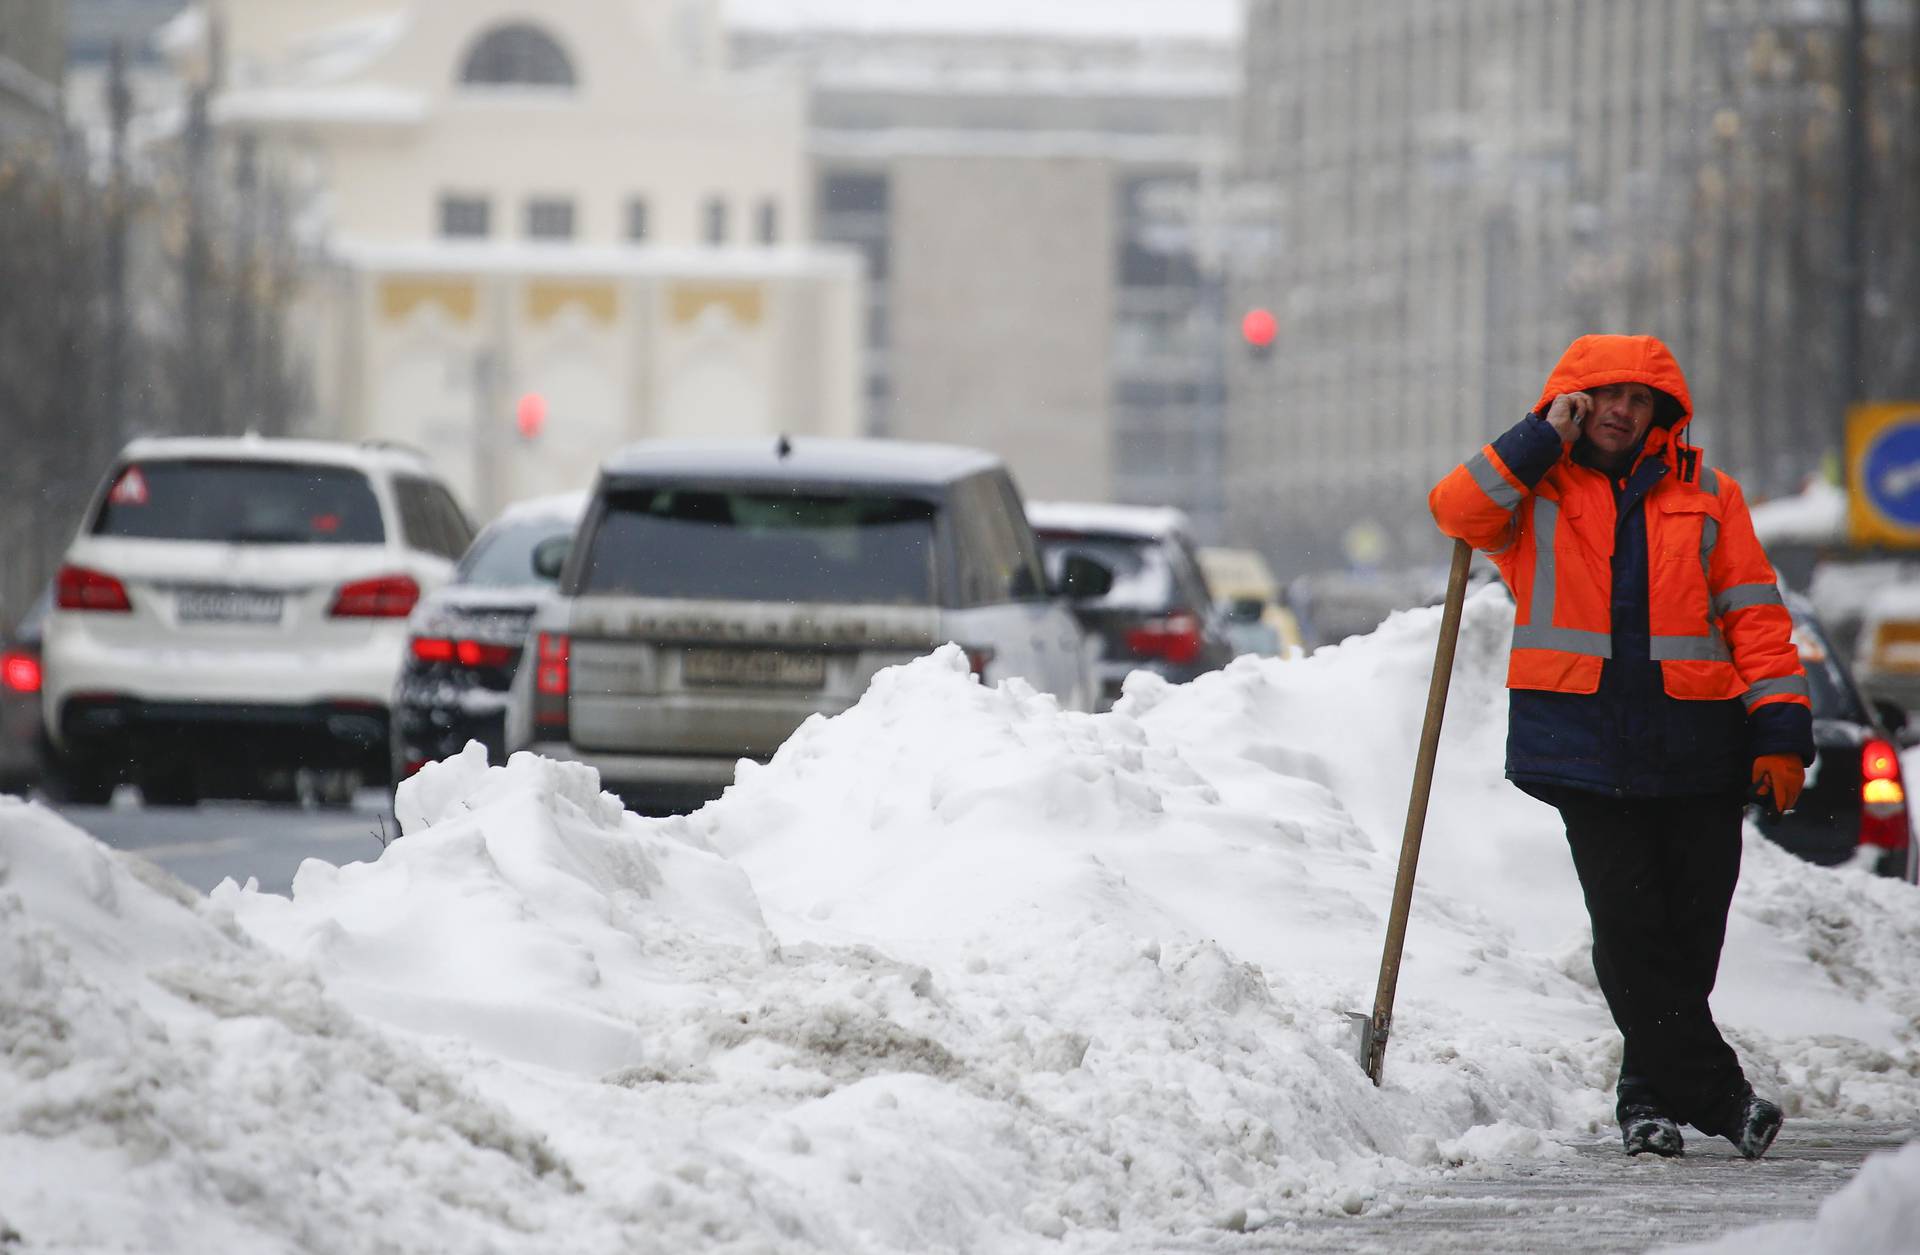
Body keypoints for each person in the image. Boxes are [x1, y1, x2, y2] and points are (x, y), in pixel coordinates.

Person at [1429, 334, 1812, 1160]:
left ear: (1661, 414)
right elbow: (1456, 509)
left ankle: (1645, 1098)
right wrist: (1540, 434)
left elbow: (1756, 619)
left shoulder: (1710, 495)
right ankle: (1719, 1095)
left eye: (1639, 400)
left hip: (1701, 744)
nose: (1620, 411)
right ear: (1574, 399)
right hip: (1584, 748)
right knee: (1632, 928)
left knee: (1689, 934)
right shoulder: (1536, 489)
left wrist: (1782, 728)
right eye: (1603, 395)